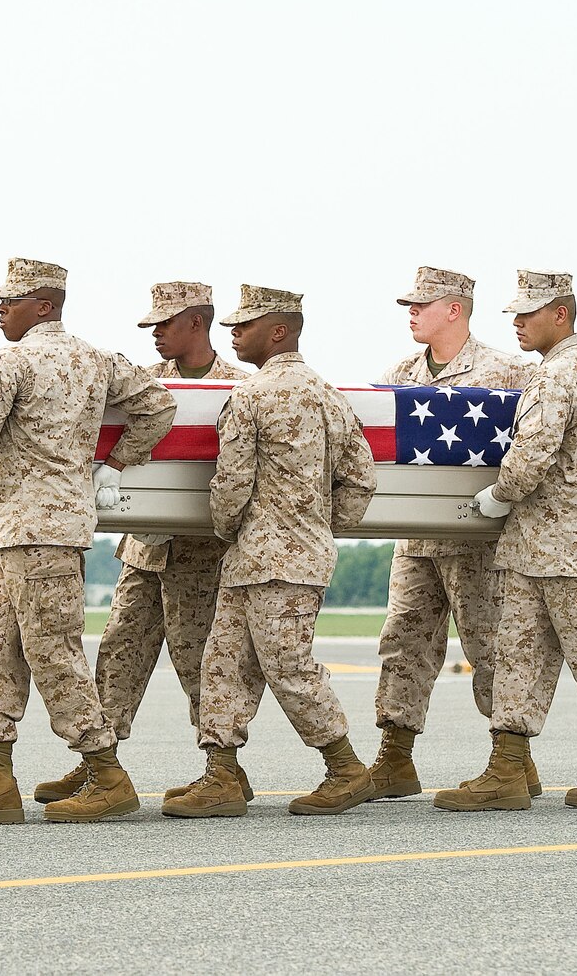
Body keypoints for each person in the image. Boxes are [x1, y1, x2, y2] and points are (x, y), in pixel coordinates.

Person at [0, 259, 176, 825]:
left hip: (31, 531)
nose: (0, 312)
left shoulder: (13, 364)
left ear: (44, 305)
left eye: (9, 303)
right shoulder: (99, 359)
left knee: (52, 652)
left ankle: (106, 773)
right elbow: (158, 406)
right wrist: (113, 465)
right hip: (38, 531)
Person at [436, 270, 577, 812]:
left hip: (564, 548)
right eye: (514, 312)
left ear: (560, 313)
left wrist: (500, 494)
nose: (516, 321)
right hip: (552, 545)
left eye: (528, 312)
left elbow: (534, 448)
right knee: (516, 655)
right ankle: (507, 769)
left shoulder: (556, 375)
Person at [163, 286, 377, 818]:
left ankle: (346, 768)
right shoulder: (329, 395)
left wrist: (225, 528)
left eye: (246, 325)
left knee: (286, 665)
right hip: (291, 555)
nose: (234, 333)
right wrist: (322, 527)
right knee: (224, 662)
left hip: (262, 555)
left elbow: (231, 486)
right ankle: (222, 773)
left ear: (278, 332)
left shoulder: (252, 396)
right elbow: (361, 477)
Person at [36, 281, 251, 808]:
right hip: (145, 547)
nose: (154, 333)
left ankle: (223, 768)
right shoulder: (143, 384)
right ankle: (98, 764)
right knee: (118, 654)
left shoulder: (239, 387)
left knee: (200, 659)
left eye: (165, 323)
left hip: (202, 552)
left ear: (197, 322)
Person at [369, 267, 533, 800]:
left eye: (420, 305)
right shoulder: (401, 373)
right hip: (416, 539)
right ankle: (395, 756)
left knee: (491, 647)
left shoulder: (508, 372)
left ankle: (513, 759)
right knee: (403, 643)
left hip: (479, 539)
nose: (411, 314)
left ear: (454, 309)